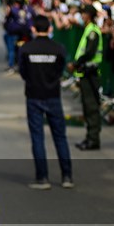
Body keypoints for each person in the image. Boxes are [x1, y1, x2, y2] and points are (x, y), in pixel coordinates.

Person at [18, 15, 74, 189]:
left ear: (33, 29)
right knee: (60, 137)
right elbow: (60, 70)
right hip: (53, 95)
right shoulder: (59, 48)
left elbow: (23, 72)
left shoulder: (26, 49)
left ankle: (42, 178)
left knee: (37, 138)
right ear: (50, 29)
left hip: (34, 95)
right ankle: (67, 176)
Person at [66, 4, 103, 151]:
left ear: (89, 15)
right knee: (87, 107)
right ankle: (90, 138)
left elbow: (89, 53)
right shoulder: (88, 29)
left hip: (90, 74)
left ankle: (93, 139)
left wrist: (75, 64)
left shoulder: (93, 31)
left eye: (84, 13)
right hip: (85, 73)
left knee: (91, 107)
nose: (82, 16)